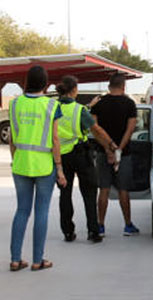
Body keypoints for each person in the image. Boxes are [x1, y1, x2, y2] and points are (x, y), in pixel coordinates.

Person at [9, 66, 67, 272]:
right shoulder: (51, 106)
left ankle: (15, 260)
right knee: (41, 212)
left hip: (21, 164)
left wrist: (15, 159)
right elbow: (55, 139)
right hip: (44, 166)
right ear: (46, 83)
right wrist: (59, 169)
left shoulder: (15, 103)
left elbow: (12, 139)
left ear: (26, 82)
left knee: (21, 211)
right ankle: (37, 260)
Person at [56, 76, 117, 243]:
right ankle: (93, 231)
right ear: (74, 90)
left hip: (60, 157)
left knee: (65, 194)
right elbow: (95, 129)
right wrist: (110, 144)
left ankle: (68, 232)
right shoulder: (78, 110)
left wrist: (90, 106)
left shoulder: (52, 107)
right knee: (89, 194)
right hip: (80, 155)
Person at [91, 73, 139, 236]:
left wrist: (107, 148)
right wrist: (118, 149)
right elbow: (130, 129)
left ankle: (100, 226)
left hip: (102, 153)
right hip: (123, 154)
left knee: (103, 189)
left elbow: (95, 129)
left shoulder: (99, 105)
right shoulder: (130, 104)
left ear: (109, 86)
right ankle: (127, 225)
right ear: (124, 86)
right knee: (123, 190)